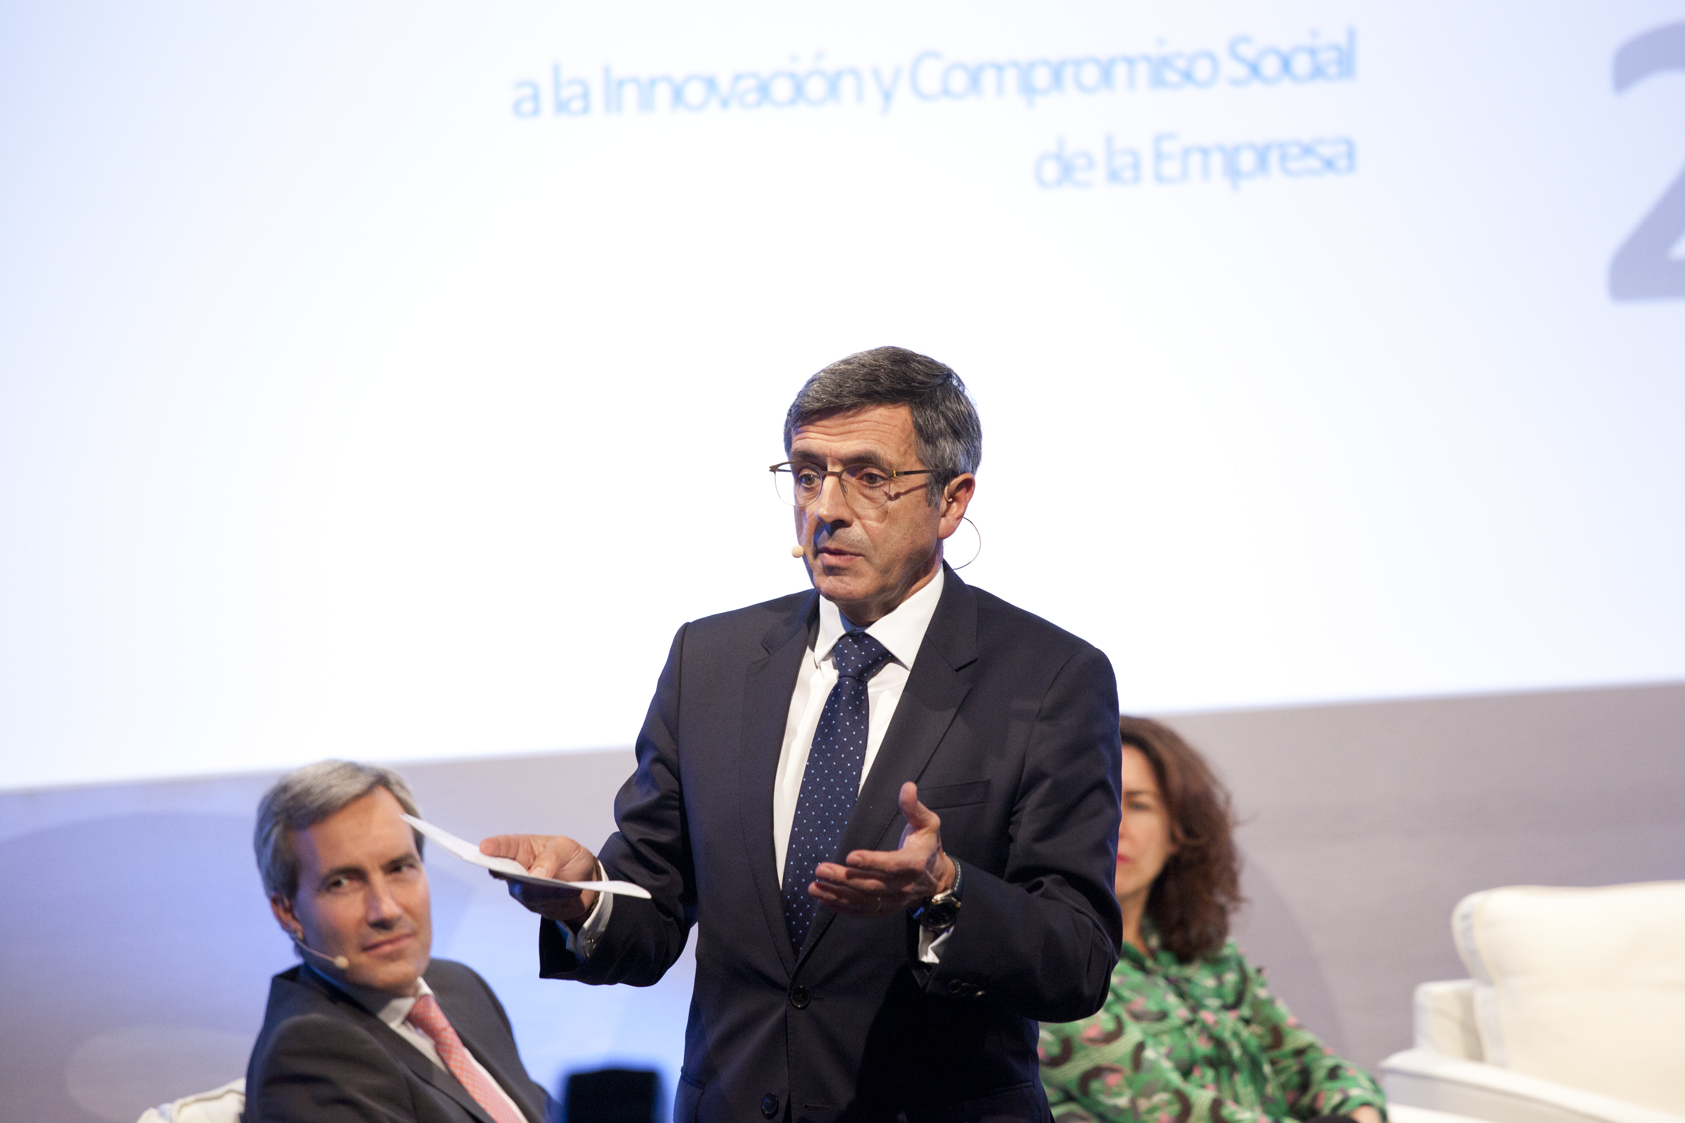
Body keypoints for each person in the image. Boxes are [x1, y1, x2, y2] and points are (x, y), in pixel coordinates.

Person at [483, 346, 1124, 1122]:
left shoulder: (1049, 677)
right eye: (808, 474)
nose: (827, 507)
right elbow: (651, 908)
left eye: (869, 477)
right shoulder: (709, 660)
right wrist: (583, 895)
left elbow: (1076, 958)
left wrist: (946, 889)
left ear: (951, 501)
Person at [1037, 717, 1387, 1123]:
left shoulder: (1206, 952)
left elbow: (1307, 1063)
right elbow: (1171, 1109)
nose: (1115, 827)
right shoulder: (1054, 963)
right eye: (1096, 805)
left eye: (1138, 805)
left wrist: (1361, 1113)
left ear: (1176, 833)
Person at [245, 760, 553, 1123]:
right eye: (342, 882)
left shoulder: (459, 985)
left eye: (399, 868)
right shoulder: (307, 1052)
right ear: (288, 912)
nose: (386, 910)